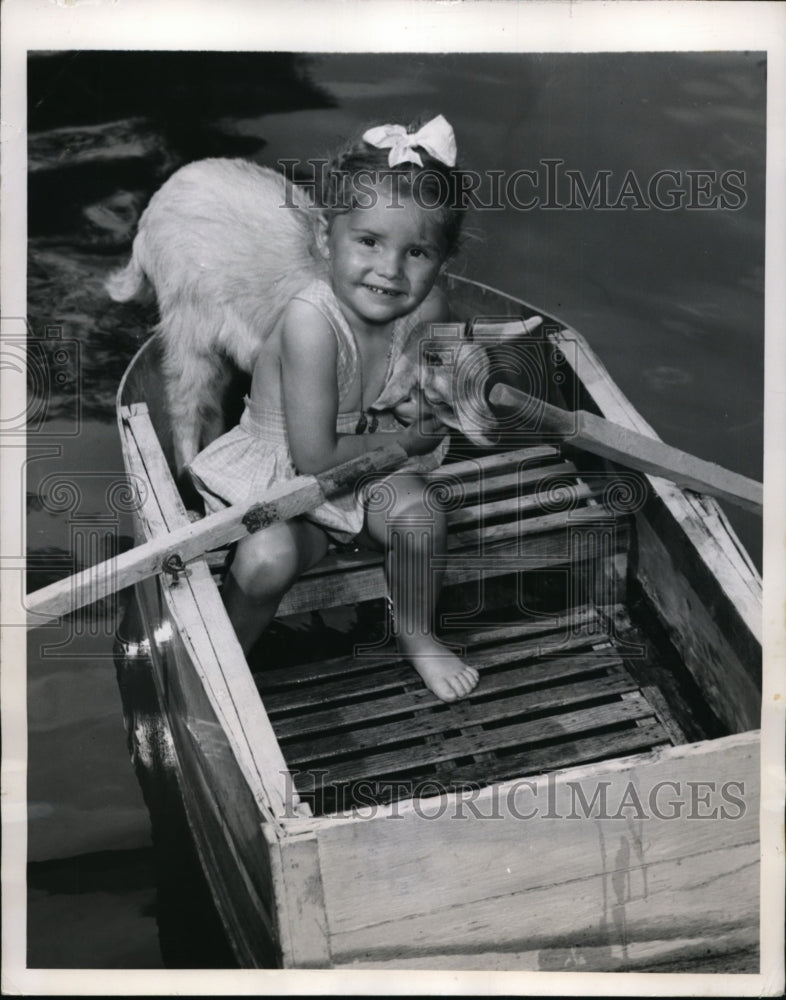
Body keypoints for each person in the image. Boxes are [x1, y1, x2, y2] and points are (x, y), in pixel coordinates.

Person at [188, 114, 480, 702]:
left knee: (422, 518)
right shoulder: (310, 321)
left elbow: (435, 384)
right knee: (265, 560)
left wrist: (448, 385)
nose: (389, 271)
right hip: (290, 481)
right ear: (326, 239)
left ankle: (416, 633)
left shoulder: (428, 309)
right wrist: (410, 444)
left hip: (369, 474)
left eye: (417, 251)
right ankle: (226, 665)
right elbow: (316, 457)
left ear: (443, 261)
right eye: (368, 241)